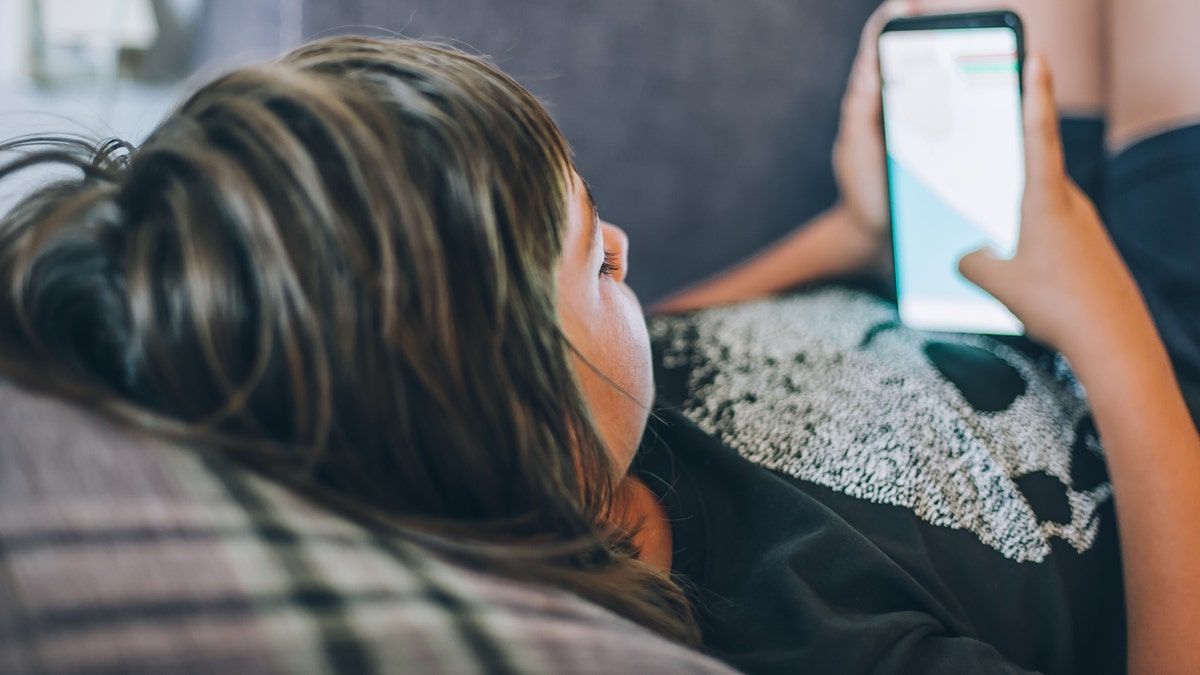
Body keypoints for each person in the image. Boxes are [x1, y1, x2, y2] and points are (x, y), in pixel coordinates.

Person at [0, 1, 1196, 673]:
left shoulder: (572, 426)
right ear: (506, 412)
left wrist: (845, 232)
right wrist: (1104, 318)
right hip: (1164, 377)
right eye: (594, 259)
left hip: (993, 279)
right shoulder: (797, 636)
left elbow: (664, 335)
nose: (626, 246)